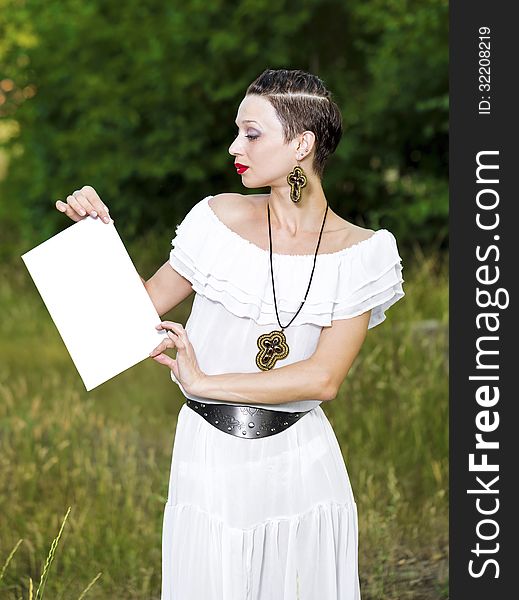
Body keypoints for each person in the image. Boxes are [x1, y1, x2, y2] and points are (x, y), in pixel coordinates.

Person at [56, 68, 405, 600]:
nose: (233, 146)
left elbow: (323, 379)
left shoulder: (363, 253)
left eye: (252, 132)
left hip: (301, 468)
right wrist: (96, 240)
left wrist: (205, 381)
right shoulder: (216, 220)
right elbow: (123, 322)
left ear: (302, 145)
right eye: (237, 131)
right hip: (207, 460)